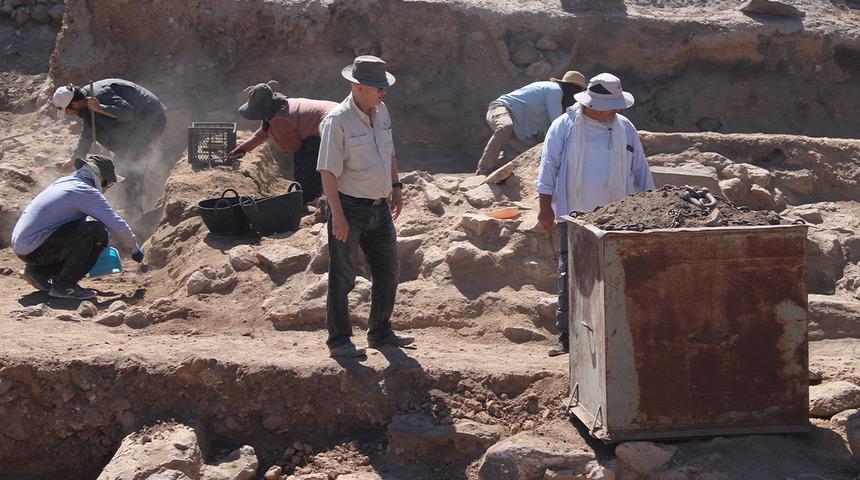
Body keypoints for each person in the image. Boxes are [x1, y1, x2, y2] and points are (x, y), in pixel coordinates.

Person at [536, 73, 655, 357]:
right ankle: (567, 334)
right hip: (573, 214)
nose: (609, 112)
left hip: (618, 216)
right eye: (605, 106)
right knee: (571, 271)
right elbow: (548, 166)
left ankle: (614, 330)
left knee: (614, 272)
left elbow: (640, 170)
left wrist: (650, 207)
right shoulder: (564, 126)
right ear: (589, 103)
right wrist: (544, 208)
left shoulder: (625, 128)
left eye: (613, 106)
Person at [316, 55, 413, 358]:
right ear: (358, 87)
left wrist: (396, 187)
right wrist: (338, 217)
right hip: (349, 207)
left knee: (388, 271)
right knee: (342, 276)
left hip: (379, 207)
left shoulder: (380, 111)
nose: (383, 92)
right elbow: (328, 172)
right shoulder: (337, 121)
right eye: (378, 87)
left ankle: (380, 332)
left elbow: (390, 152)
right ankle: (339, 341)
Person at [11, 155, 145, 300]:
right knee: (94, 229)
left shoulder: (65, 182)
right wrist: (134, 249)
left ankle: (38, 272)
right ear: (100, 178)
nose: (106, 188)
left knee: (85, 226)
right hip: (37, 249)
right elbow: (115, 222)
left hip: (25, 249)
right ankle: (64, 286)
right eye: (107, 184)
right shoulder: (86, 190)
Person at [51, 79, 167, 203]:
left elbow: (127, 113)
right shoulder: (85, 103)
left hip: (149, 116)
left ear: (74, 104)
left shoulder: (100, 94)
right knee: (121, 157)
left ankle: (133, 209)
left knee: (132, 160)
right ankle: (125, 198)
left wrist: (100, 108)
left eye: (68, 111)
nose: (69, 114)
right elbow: (88, 130)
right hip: (133, 122)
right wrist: (77, 156)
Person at [228, 83, 338, 204]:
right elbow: (263, 132)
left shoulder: (279, 119)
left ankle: (305, 199)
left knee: (305, 161)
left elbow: (295, 147)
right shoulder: (279, 106)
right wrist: (242, 148)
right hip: (336, 118)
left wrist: (276, 134)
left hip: (332, 127)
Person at [476, 71, 587, 175]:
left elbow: (549, 130)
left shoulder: (555, 99)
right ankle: (484, 169)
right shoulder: (555, 90)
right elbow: (556, 124)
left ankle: (499, 168)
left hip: (517, 128)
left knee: (530, 153)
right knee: (505, 127)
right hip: (501, 108)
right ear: (572, 89)